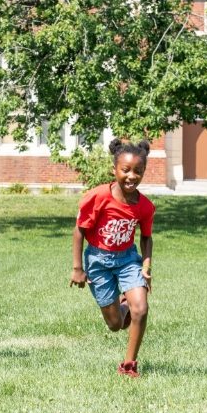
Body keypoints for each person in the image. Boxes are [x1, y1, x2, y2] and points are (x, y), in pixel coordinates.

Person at [70, 139, 155, 378]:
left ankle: (129, 365)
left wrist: (146, 265)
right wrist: (78, 268)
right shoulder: (97, 197)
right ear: (114, 170)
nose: (131, 176)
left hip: (128, 259)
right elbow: (80, 230)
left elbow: (147, 238)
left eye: (138, 171)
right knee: (115, 325)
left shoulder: (145, 206)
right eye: (125, 170)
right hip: (99, 261)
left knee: (141, 308)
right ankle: (123, 306)